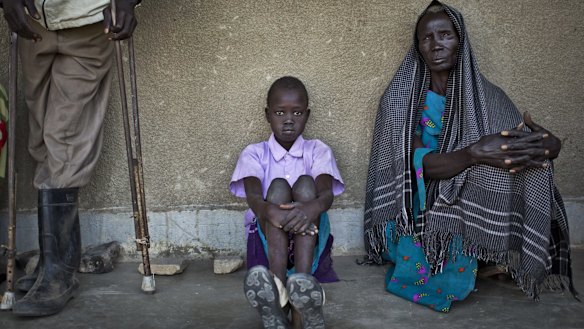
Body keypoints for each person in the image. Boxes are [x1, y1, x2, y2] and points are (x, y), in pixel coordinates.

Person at [364, 1, 577, 312]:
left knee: (531, 167)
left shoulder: (488, 97)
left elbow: (525, 144)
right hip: (419, 202)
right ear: (418, 46)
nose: (436, 45)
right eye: (426, 38)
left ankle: (500, 253)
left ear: (460, 41)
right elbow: (417, 167)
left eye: (445, 35)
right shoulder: (401, 100)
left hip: (464, 193)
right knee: (473, 169)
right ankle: (462, 259)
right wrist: (475, 153)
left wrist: (548, 147)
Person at [1, 0, 141, 316]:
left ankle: (58, 275)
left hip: (87, 24)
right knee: (41, 140)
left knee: (63, 137)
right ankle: (57, 260)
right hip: (33, 23)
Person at [230, 76, 344, 329]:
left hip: (309, 234)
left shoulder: (319, 150)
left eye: (298, 112)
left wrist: (306, 210)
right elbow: (255, 200)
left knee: (305, 185)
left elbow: (325, 196)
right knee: (278, 188)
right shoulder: (254, 153)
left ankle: (297, 291)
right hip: (267, 237)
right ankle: (279, 288)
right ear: (267, 114)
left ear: (308, 114)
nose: (289, 119)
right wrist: (275, 213)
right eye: (280, 112)